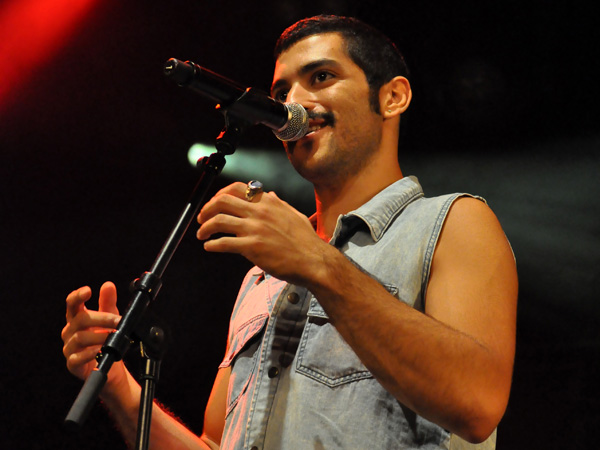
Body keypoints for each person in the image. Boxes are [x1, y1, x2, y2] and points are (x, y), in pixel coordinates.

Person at [62, 15, 517, 449]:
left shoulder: (452, 223)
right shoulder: (263, 277)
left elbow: (476, 403)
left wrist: (316, 261)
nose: (291, 103)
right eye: (282, 90)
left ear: (392, 97)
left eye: (320, 77)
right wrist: (120, 388)